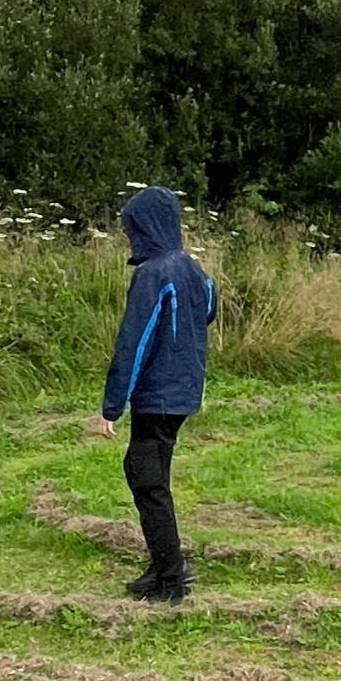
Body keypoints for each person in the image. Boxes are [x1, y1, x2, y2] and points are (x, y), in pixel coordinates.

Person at [86, 187, 217, 602]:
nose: (129, 236)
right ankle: (164, 564)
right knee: (150, 473)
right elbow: (210, 308)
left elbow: (134, 342)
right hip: (184, 390)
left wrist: (112, 404)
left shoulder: (153, 274)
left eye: (132, 228)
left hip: (158, 395)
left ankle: (171, 581)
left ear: (146, 227)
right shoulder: (195, 270)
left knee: (147, 479)